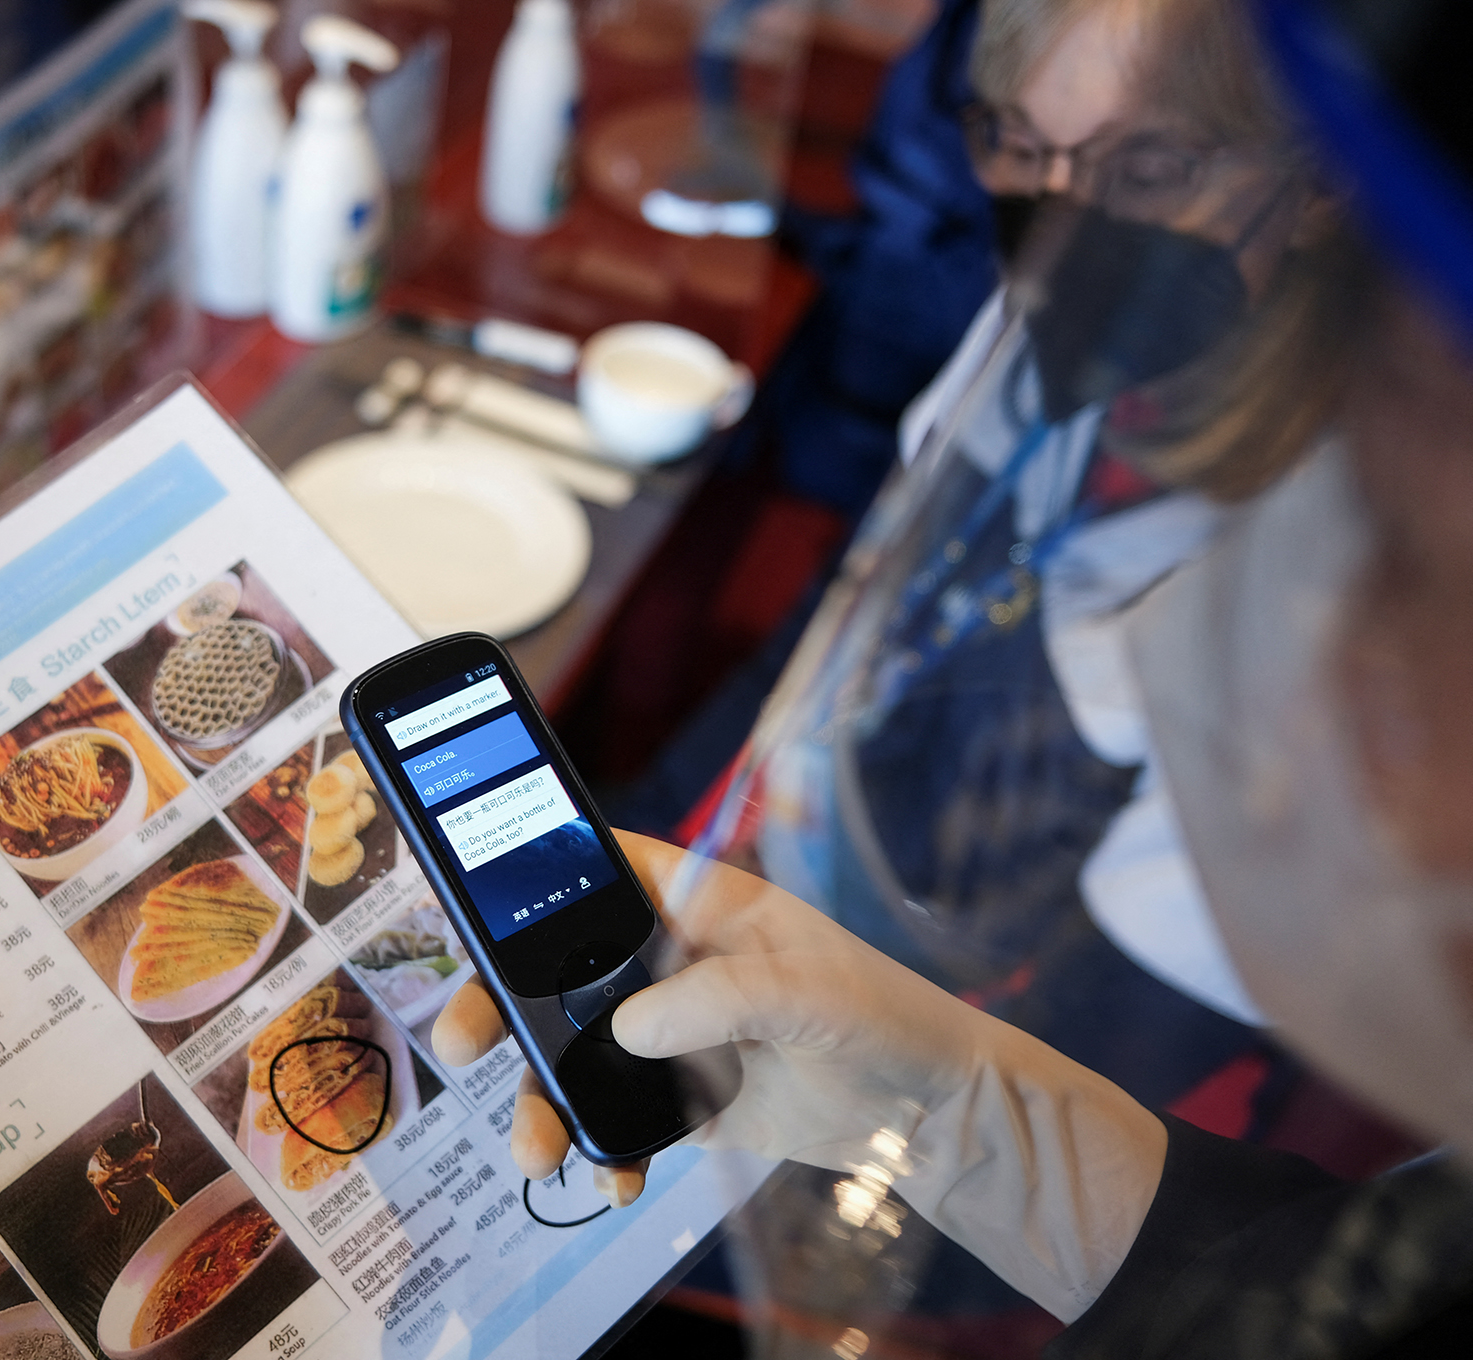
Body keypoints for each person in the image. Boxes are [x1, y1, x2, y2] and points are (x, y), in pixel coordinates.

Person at [435, 0, 1473, 1352]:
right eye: (1019, 146)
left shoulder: (1332, 620)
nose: (1061, 219)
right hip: (820, 1000)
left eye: (1150, 168)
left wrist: (763, 1187)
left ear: (1327, 181)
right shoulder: (1040, 343)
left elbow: (1128, 1090)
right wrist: (628, 835)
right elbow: (826, 646)